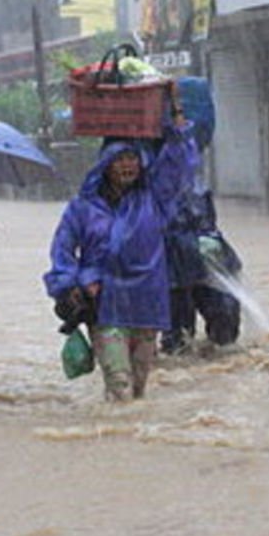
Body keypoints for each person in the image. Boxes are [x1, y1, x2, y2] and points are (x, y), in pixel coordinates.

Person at [44, 109, 198, 402]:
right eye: (119, 159)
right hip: (105, 304)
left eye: (133, 158)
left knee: (138, 387)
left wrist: (177, 124)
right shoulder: (83, 207)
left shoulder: (155, 200)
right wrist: (74, 282)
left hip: (146, 304)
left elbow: (177, 167)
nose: (128, 165)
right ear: (105, 164)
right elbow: (62, 249)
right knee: (119, 383)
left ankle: (128, 440)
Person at [161, 171, 242, 354]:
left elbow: (209, 220)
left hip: (207, 254)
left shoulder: (197, 186)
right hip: (168, 262)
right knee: (178, 335)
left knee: (225, 316)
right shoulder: (143, 189)